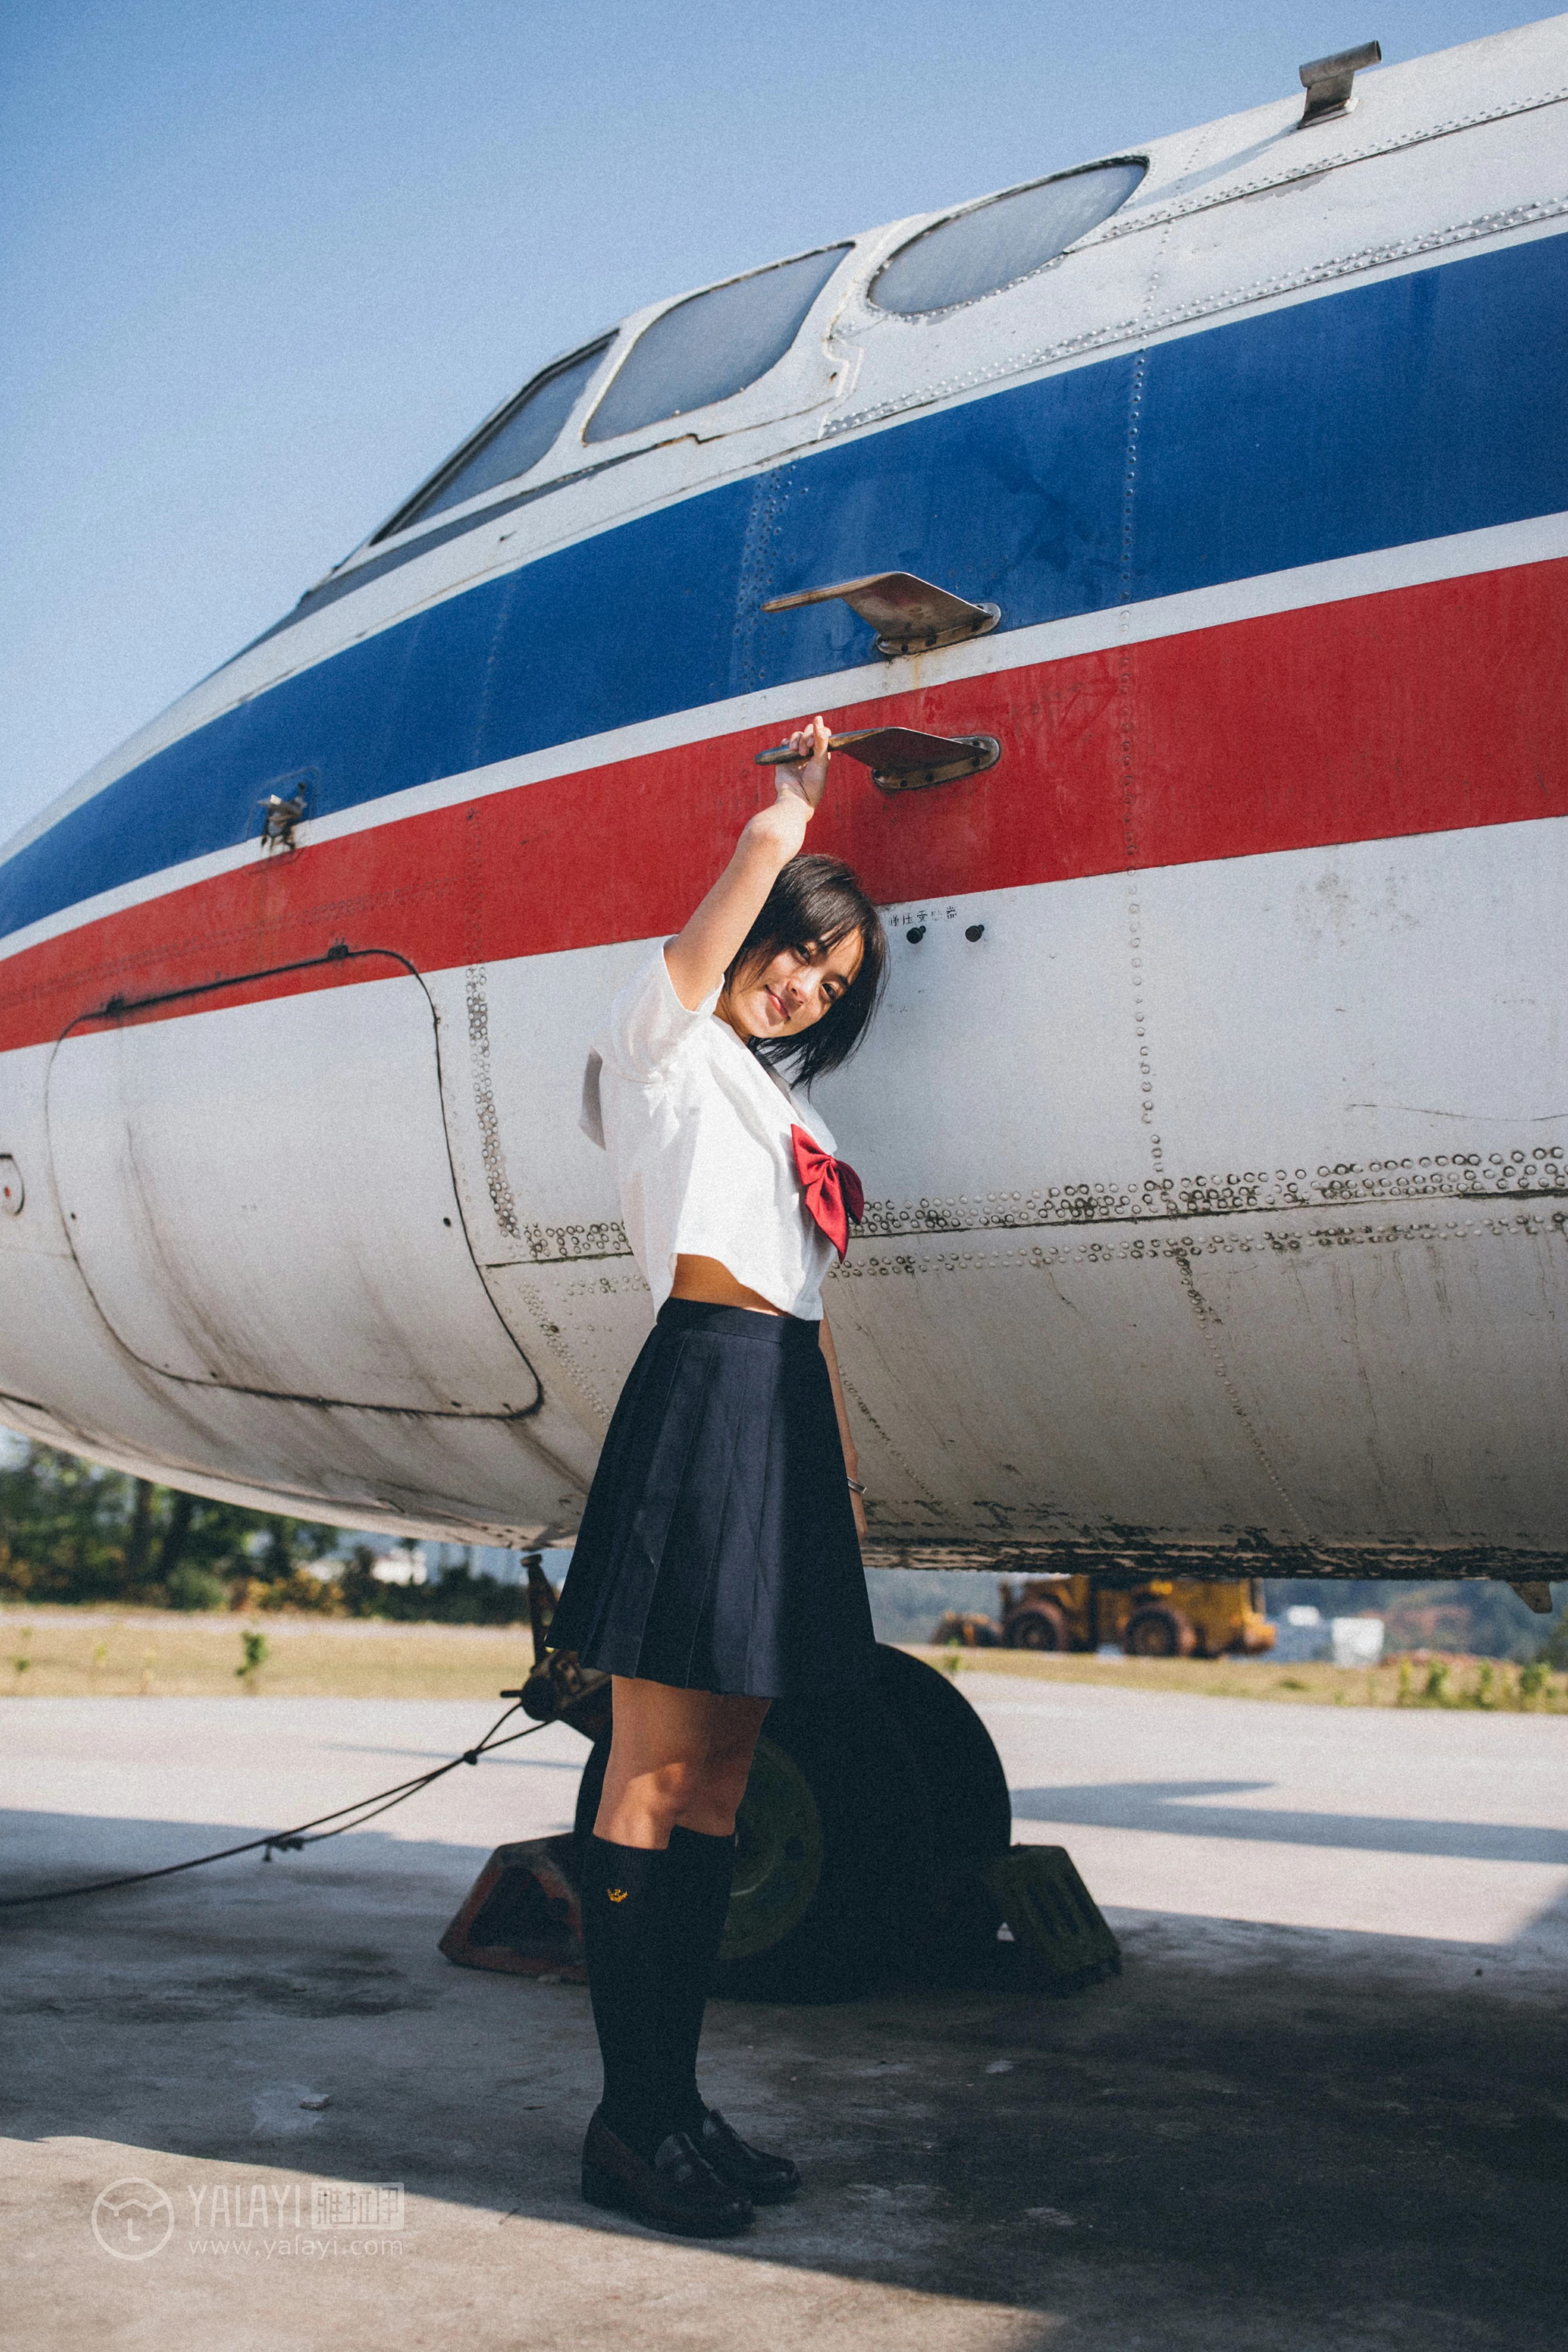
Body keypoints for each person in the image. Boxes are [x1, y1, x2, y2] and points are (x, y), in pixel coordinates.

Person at [546, 713, 887, 2238]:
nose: (804, 980)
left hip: (781, 1417)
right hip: (700, 1393)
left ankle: (677, 2103)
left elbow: (805, 1302)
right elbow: (706, 948)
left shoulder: (795, 1107)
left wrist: (842, 1484)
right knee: (656, 1769)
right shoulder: (664, 1043)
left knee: (729, 1781)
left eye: (833, 980)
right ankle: (629, 2124)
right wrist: (785, 814)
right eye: (802, 949)